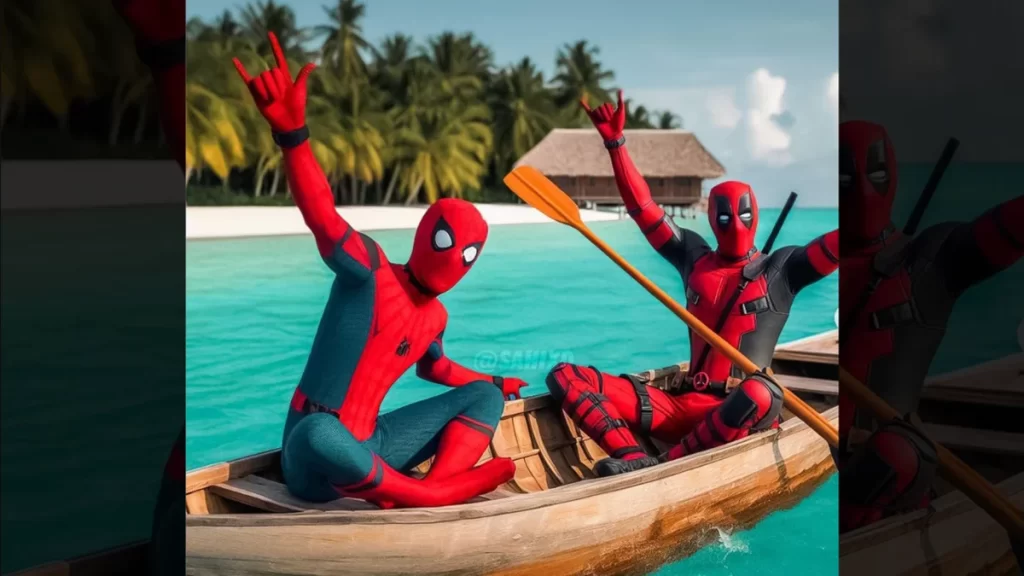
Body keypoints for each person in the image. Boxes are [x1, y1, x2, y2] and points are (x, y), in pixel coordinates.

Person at [232, 34, 528, 508]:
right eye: (448, 242)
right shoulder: (367, 270)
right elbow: (322, 216)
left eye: (469, 254)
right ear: (425, 235)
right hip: (316, 460)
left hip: (375, 444)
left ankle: (430, 490)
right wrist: (292, 136)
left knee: (483, 400)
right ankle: (423, 496)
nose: (455, 260)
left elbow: (439, 369)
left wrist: (495, 383)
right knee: (317, 430)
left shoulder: (436, 318)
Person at [546, 91, 839, 477]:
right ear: (710, 217)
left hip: (738, 410)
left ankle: (662, 464)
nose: (734, 223)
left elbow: (835, 247)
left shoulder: (781, 270)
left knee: (762, 392)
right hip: (679, 405)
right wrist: (615, 144)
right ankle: (633, 457)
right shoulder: (692, 255)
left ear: (754, 215)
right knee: (565, 376)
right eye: (723, 215)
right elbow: (643, 209)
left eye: (743, 213)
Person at [837, 120, 1023, 531]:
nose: (863, 192)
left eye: (877, 175)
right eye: (845, 179)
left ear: (894, 178)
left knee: (894, 455)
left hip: (888, 465)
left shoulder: (927, 261)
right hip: (823, 453)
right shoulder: (825, 262)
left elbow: (1005, 229)